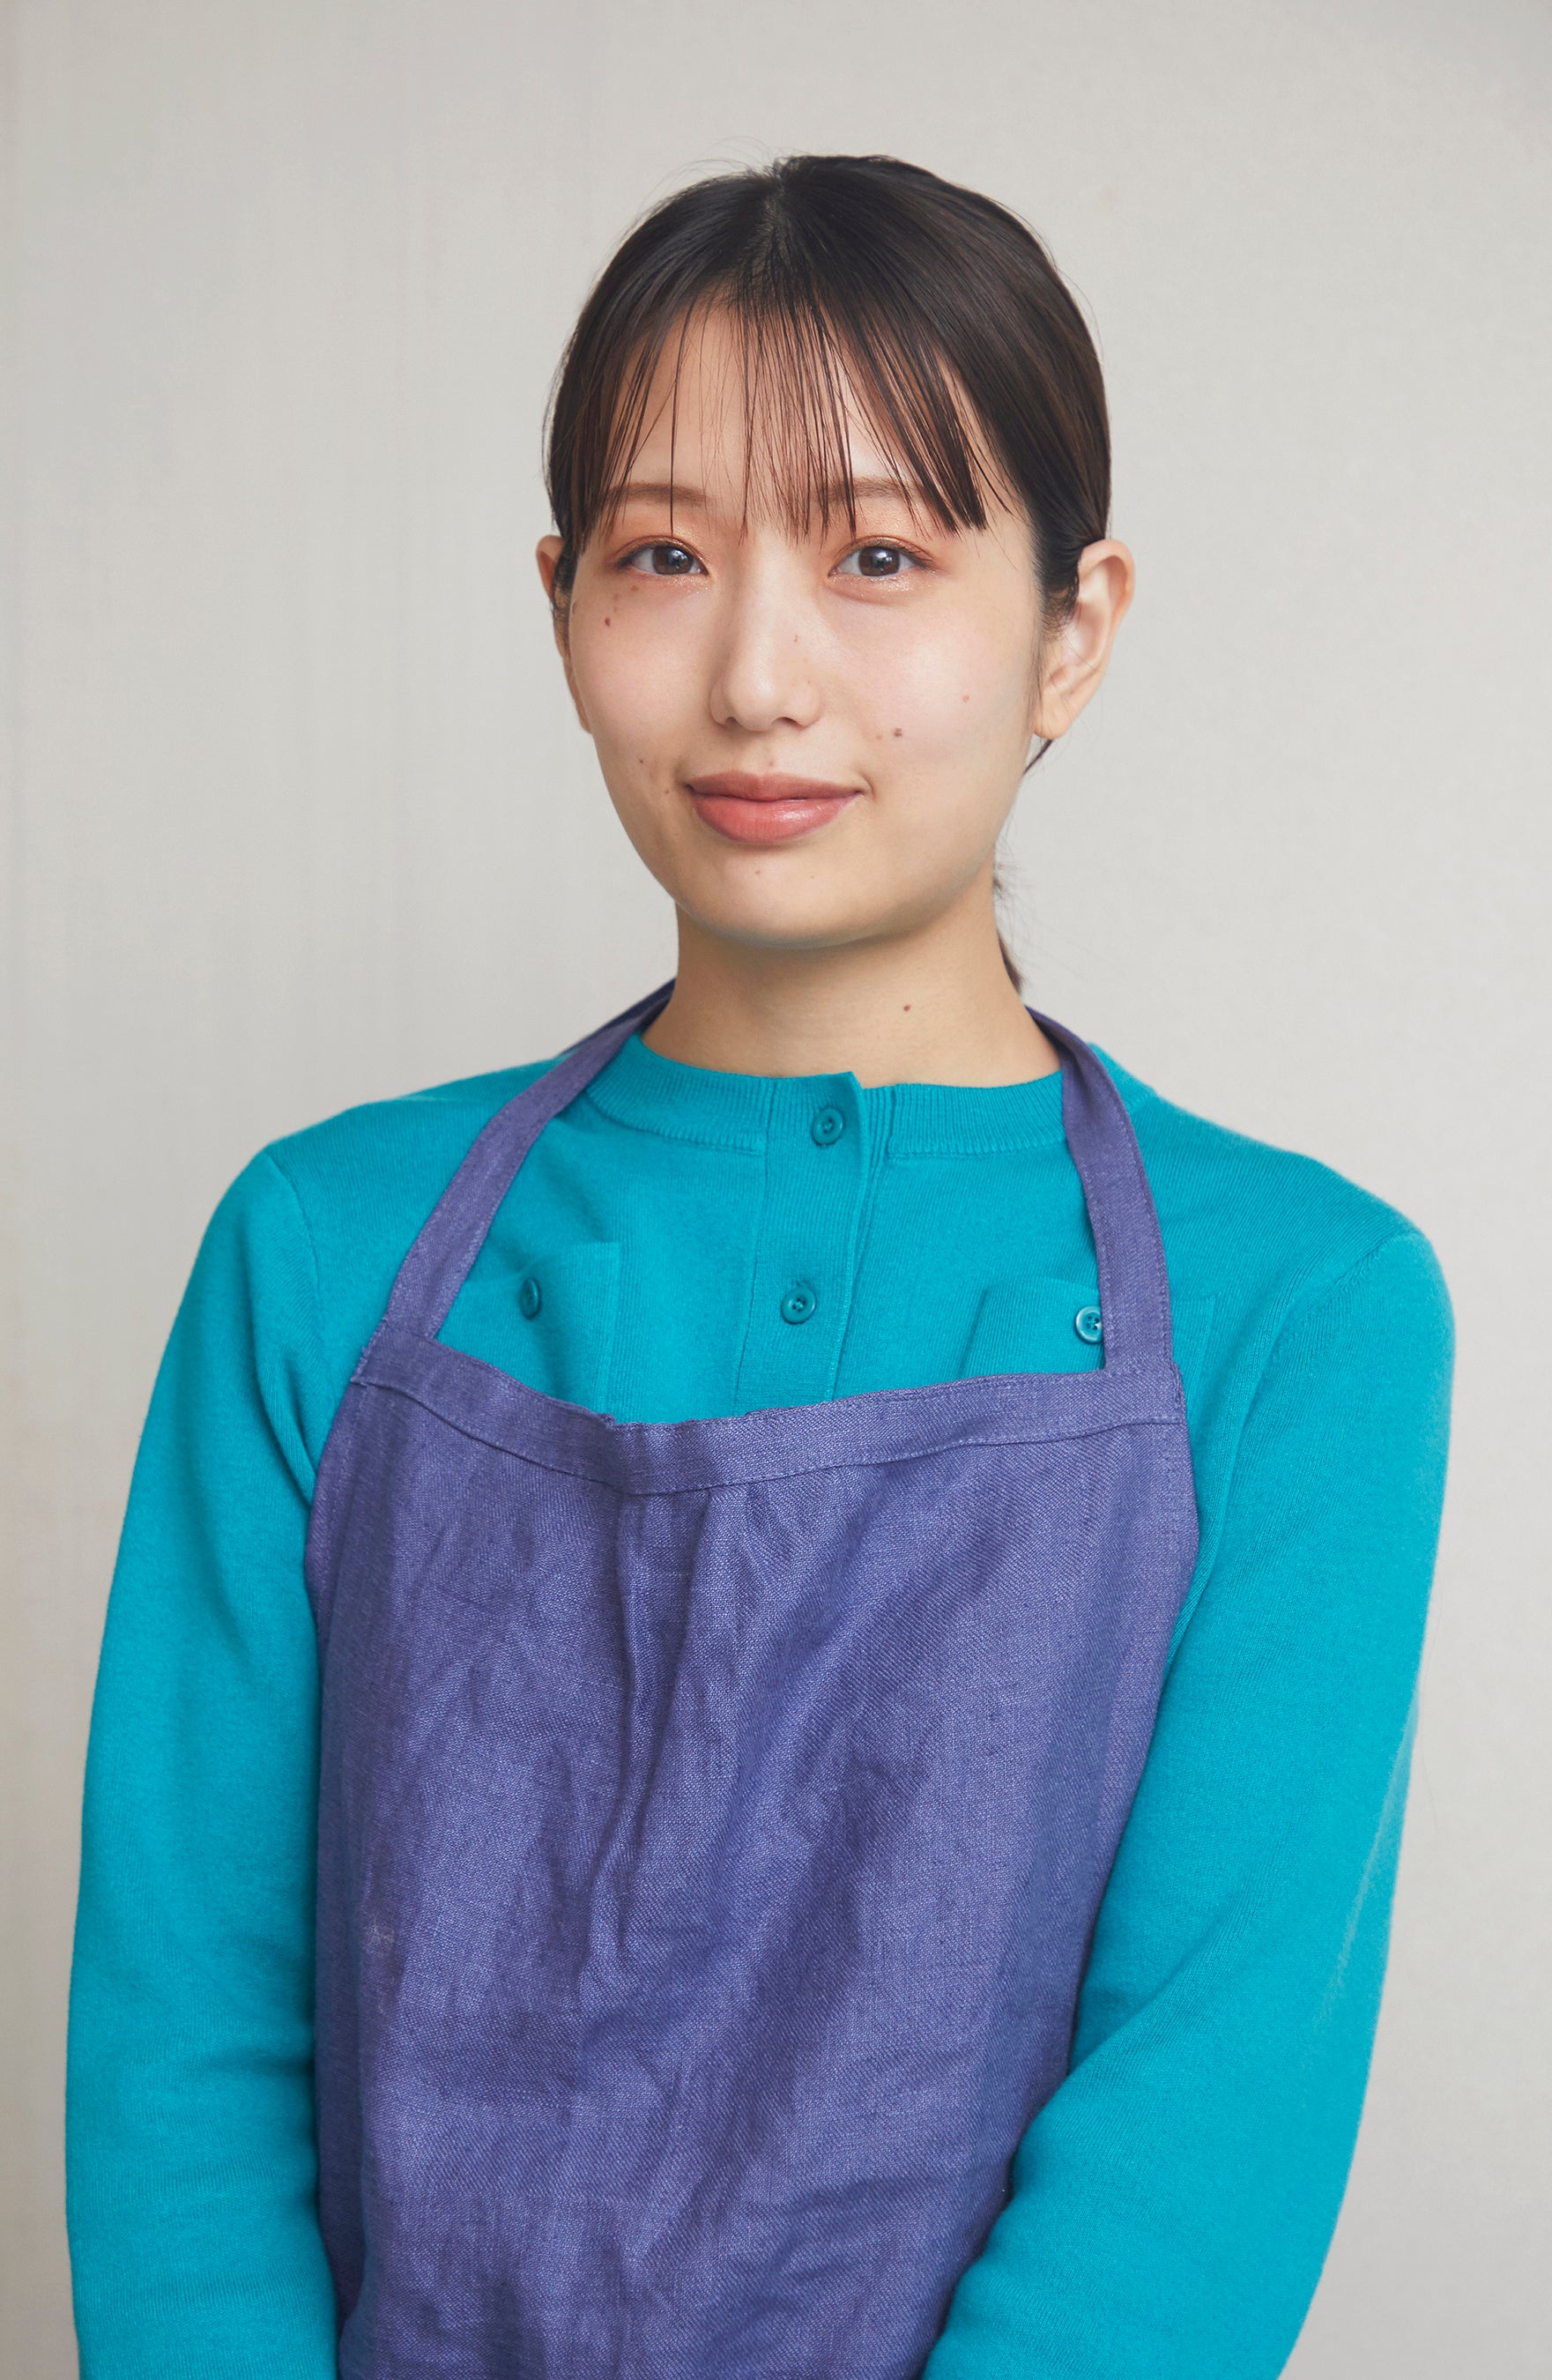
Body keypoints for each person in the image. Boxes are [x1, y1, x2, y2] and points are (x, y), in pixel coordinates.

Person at [66, 154, 1453, 2380]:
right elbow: (182, 2059)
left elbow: (1193, 2151)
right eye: (663, 555)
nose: (755, 673)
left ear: (1071, 628)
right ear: (561, 609)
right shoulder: (317, 1251)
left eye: (878, 555)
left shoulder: (1302, 1312)